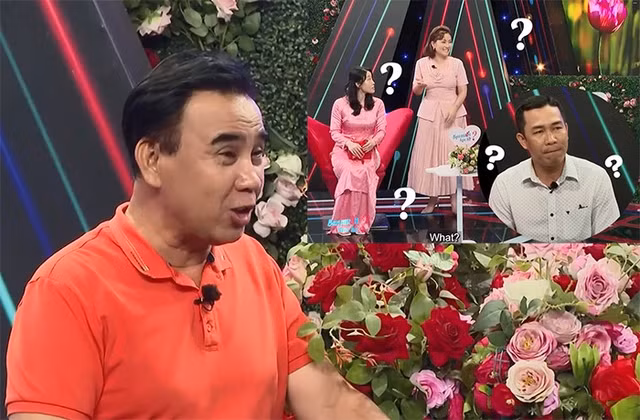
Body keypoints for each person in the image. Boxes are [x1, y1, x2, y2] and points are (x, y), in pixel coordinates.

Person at [5, 51, 387, 419]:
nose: (252, 179)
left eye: (256, 154)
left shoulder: (255, 265)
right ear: (152, 160)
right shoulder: (67, 292)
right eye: (226, 155)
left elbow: (331, 405)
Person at [488, 94, 620, 242]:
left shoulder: (596, 178)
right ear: (523, 140)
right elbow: (500, 242)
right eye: (539, 132)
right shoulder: (505, 185)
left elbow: (608, 240)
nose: (551, 139)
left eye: (557, 128)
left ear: (566, 130)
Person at [407, 25, 474, 214]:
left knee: (453, 155)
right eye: (443, 41)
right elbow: (416, 90)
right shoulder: (422, 63)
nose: (447, 45)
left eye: (449, 42)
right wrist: (420, 86)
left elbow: (463, 91)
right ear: (433, 44)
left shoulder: (457, 64)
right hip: (430, 113)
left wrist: (454, 108)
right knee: (431, 156)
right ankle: (432, 199)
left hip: (453, 112)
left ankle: (455, 199)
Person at [328, 67, 386, 236]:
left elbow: (381, 130)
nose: (373, 83)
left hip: (368, 150)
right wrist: (349, 144)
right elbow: (334, 132)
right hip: (344, 150)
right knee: (349, 171)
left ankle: (361, 222)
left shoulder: (378, 104)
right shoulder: (340, 104)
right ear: (358, 84)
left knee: (364, 171)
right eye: (369, 79)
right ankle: (343, 223)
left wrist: (373, 142)